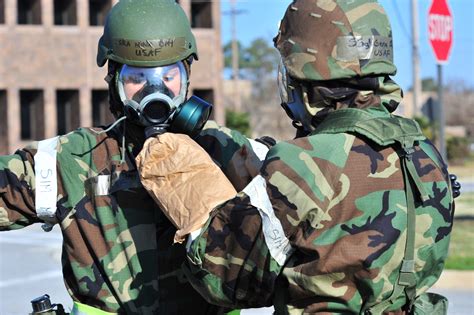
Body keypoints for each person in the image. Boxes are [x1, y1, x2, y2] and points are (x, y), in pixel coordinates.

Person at [136, 0, 458, 314]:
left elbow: (226, 279)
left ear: (304, 79)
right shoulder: (424, 154)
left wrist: (188, 186)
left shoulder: (304, 164)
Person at [0, 0, 258, 313]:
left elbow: (306, 216)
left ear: (187, 75)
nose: (155, 89)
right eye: (137, 77)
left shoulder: (226, 151)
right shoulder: (74, 159)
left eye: (168, 75)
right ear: (115, 81)